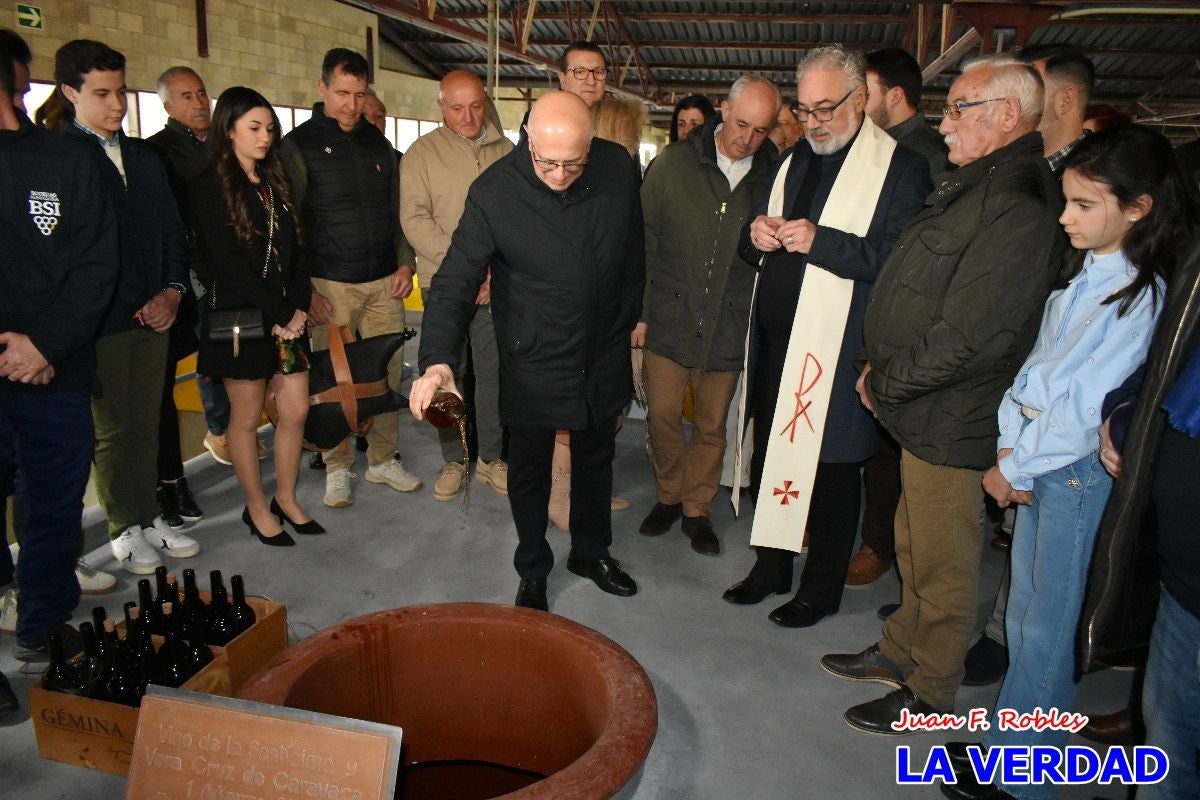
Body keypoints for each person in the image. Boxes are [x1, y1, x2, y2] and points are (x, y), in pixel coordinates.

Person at [940, 125, 1191, 800]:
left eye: (1083, 204)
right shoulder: (1086, 279)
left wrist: (1016, 465)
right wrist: (1006, 447)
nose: (1064, 216)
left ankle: (1024, 779)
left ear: (1138, 208)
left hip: (1071, 476)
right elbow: (1036, 375)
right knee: (1025, 615)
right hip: (1036, 462)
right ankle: (1009, 747)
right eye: (1066, 200)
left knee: (1048, 630)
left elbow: (1082, 410)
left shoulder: (1140, 298)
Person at [822, 55, 1066, 734]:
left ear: (1007, 114)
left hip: (951, 412)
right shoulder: (980, 183)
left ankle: (929, 693)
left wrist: (886, 380)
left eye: (960, 107)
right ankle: (900, 651)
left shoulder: (1016, 202)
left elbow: (970, 336)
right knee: (912, 542)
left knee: (945, 560)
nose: (945, 121)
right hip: (922, 408)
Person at [410, 91, 644, 613]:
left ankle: (590, 551)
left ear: (592, 147)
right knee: (531, 468)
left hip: (602, 347)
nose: (559, 173)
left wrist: (633, 316)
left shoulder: (617, 168)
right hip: (535, 353)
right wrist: (438, 359)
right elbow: (453, 282)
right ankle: (533, 566)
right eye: (547, 162)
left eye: (572, 163)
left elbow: (633, 250)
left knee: (596, 460)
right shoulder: (495, 192)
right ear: (527, 140)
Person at [720, 46, 929, 630]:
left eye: (824, 108)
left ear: (860, 99)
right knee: (772, 459)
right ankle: (771, 567)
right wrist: (753, 233)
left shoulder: (902, 169)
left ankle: (822, 587)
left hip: (837, 352)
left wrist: (824, 242)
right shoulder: (793, 160)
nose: (811, 122)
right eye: (804, 109)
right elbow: (761, 235)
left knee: (833, 473)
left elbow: (900, 263)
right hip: (777, 343)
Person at [964, 43, 1097, 687]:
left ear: (1063, 99)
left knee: (1045, 574)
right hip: (1021, 386)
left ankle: (1003, 646)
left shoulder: (1088, 183)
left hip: (1061, 416)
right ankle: (996, 629)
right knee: (1019, 536)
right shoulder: (1036, 173)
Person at [44, 40, 200, 575]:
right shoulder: (60, 158)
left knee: (147, 421)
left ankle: (149, 513)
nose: (116, 105)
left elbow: (173, 234)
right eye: (102, 94)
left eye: (121, 92)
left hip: (156, 315)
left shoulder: (142, 158)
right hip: (100, 323)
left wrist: (174, 291)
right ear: (69, 93)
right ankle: (122, 528)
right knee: (113, 429)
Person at [0, 29, 119, 661]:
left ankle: (41, 622)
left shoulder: (65, 162)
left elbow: (96, 264)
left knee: (51, 507)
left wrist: (43, 346)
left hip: (56, 374)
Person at [635, 76, 779, 555]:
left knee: (713, 427)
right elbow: (643, 244)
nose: (747, 138)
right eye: (741, 124)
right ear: (723, 109)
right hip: (669, 318)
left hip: (730, 326)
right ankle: (669, 495)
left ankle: (697, 509)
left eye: (761, 130)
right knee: (661, 415)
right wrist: (639, 313)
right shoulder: (673, 165)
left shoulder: (775, 177)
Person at [280, 48, 420, 508]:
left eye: (360, 95)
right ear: (322, 88)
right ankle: (337, 466)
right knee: (332, 380)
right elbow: (289, 226)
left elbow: (399, 212)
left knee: (385, 371)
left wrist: (405, 263)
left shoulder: (378, 144)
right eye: (342, 93)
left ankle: (383, 459)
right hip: (329, 284)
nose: (351, 105)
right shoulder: (297, 147)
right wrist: (304, 291)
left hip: (384, 280)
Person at [187, 87, 320, 547]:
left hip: (288, 316)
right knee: (245, 420)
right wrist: (284, 311)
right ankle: (257, 507)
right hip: (241, 319)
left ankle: (286, 496)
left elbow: (299, 247)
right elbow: (226, 265)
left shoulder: (274, 179)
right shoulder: (209, 185)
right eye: (254, 128)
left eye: (269, 129)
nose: (265, 138)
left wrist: (298, 306)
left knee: (296, 410)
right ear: (228, 130)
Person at [848, 47, 951, 590]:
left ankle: (878, 543)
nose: (859, 103)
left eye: (866, 91)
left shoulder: (924, 157)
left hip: (902, 318)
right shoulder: (873, 148)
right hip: (868, 306)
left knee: (887, 443)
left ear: (894, 94)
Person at [400, 70, 513, 502]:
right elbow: (414, 220)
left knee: (493, 373)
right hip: (442, 283)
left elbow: (516, 222)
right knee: (448, 371)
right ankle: (454, 459)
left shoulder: (508, 152)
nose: (468, 117)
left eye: (476, 106)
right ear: (441, 106)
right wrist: (466, 269)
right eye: (457, 108)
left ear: (486, 102)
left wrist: (490, 271)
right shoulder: (421, 154)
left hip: (494, 284)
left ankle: (490, 459)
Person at [144, 65, 216, 529]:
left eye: (202, 93)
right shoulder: (155, 153)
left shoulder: (221, 146)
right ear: (168, 106)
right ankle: (169, 481)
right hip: (179, 285)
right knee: (161, 395)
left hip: (220, 282)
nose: (198, 102)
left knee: (228, 365)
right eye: (186, 96)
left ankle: (231, 441)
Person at [1016, 43, 1094, 172]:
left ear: (1065, 100)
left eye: (1028, 92)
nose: (1011, 108)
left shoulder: (1097, 178)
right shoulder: (1011, 169)